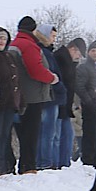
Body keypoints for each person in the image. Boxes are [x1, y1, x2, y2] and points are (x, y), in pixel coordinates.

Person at [8, 16, 58, 174]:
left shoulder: (14, 44)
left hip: (19, 95)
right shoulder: (29, 45)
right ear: (33, 29)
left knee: (22, 133)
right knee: (31, 133)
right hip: (33, 95)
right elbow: (35, 70)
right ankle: (28, 166)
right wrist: (52, 78)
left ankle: (21, 164)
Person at [0, 27, 21, 176]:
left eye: (4, 39)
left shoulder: (9, 56)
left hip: (9, 103)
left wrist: (20, 100)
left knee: (5, 135)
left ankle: (3, 165)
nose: (2, 41)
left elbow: (15, 80)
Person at [35, 24, 66, 170]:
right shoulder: (44, 52)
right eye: (52, 36)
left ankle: (43, 161)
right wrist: (60, 87)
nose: (54, 39)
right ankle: (44, 162)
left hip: (48, 96)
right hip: (49, 96)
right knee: (47, 133)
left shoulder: (46, 51)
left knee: (46, 132)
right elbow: (51, 73)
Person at [54, 37, 84, 168]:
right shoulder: (60, 58)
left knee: (68, 134)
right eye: (78, 53)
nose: (78, 57)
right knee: (57, 135)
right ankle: (55, 162)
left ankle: (64, 162)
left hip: (66, 104)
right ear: (73, 49)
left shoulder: (70, 62)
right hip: (59, 102)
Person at [75, 41, 96, 167]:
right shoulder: (84, 67)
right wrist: (88, 102)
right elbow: (79, 87)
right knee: (90, 133)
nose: (95, 53)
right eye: (93, 50)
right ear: (88, 52)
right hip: (89, 105)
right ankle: (88, 159)